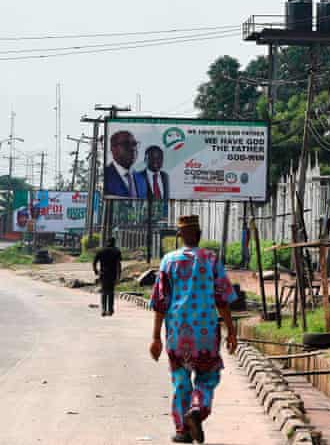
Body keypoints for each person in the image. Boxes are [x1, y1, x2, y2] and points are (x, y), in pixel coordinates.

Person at [149, 215, 238, 444]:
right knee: (207, 377)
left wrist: (156, 337)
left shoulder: (168, 261)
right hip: (206, 334)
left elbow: (160, 302)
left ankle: (182, 430)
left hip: (177, 333)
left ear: (180, 236)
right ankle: (197, 409)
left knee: (180, 380)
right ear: (199, 235)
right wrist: (231, 331)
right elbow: (222, 299)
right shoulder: (211, 259)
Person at [104, 130, 146, 198]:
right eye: (126, 144)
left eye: (134, 144)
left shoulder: (142, 180)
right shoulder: (105, 175)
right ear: (113, 149)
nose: (132, 148)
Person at [92, 238, 122, 317]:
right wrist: (118, 276)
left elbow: (94, 262)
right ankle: (110, 310)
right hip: (112, 274)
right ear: (114, 243)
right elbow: (118, 264)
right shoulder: (116, 251)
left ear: (107, 243)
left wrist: (96, 271)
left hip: (103, 274)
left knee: (104, 292)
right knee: (111, 292)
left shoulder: (101, 251)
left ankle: (103, 309)